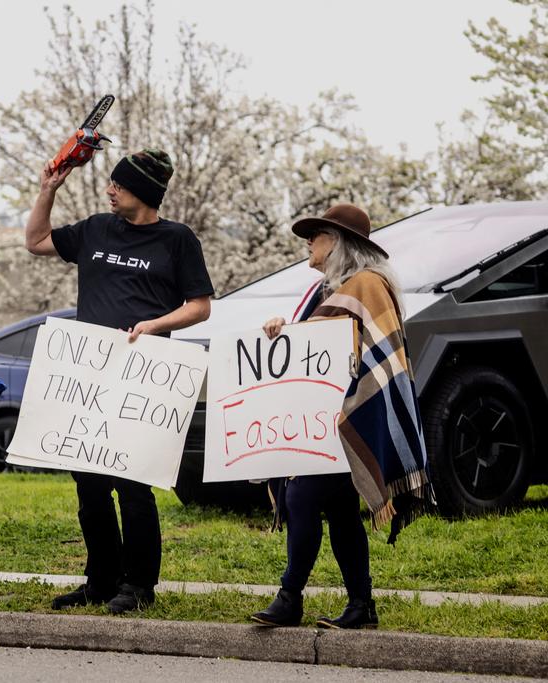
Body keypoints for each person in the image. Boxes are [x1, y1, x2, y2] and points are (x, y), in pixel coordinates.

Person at [25, 149, 214, 615]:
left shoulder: (177, 240)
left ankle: (139, 585)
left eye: (119, 184)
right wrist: (48, 189)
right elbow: (36, 241)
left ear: (144, 193)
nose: (109, 189)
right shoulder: (94, 229)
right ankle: (99, 580)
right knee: (89, 486)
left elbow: (200, 305)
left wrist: (154, 324)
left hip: (141, 383)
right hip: (90, 379)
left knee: (133, 485)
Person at [249, 203, 434, 630]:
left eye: (315, 235)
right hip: (325, 420)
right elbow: (310, 347)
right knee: (339, 509)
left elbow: (375, 355)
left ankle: (290, 597)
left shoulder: (367, 284)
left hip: (351, 413)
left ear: (337, 242)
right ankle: (360, 606)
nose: (308, 244)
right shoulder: (326, 290)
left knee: (301, 499)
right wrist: (281, 328)